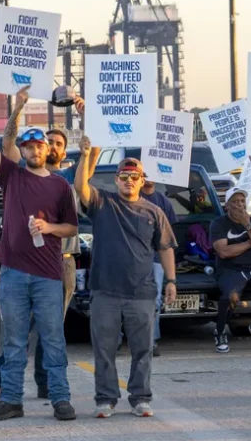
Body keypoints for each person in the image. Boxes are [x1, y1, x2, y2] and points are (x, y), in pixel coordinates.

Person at [0, 85, 101, 403]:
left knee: (52, 330)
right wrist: (15, 108)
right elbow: (0, 145)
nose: (51, 147)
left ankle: (49, 387)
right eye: (48, 142)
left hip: (61, 260)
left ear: (58, 149)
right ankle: (6, 386)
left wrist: (88, 118)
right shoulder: (18, 176)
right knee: (17, 333)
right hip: (21, 265)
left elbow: (93, 150)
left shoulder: (70, 178)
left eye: (58, 144)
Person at [74, 144, 178, 419]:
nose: (128, 181)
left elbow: (166, 247)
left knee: (143, 349)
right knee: (104, 350)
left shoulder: (155, 212)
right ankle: (105, 399)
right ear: (116, 179)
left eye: (134, 177)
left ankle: (140, 398)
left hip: (142, 293)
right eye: (123, 176)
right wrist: (86, 155)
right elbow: (80, 187)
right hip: (105, 291)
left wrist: (171, 280)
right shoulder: (102, 203)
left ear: (143, 181)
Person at [209, 187, 251, 353]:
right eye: (235, 202)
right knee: (230, 296)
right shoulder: (218, 223)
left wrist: (247, 225)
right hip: (230, 269)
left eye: (242, 201)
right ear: (227, 205)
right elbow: (224, 252)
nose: (239, 205)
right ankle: (220, 331)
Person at [125, 177, 179, 357]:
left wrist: (172, 279)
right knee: (122, 297)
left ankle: (151, 340)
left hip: (156, 259)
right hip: (132, 258)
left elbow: (169, 234)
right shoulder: (132, 197)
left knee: (154, 300)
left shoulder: (162, 202)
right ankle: (117, 338)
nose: (149, 179)